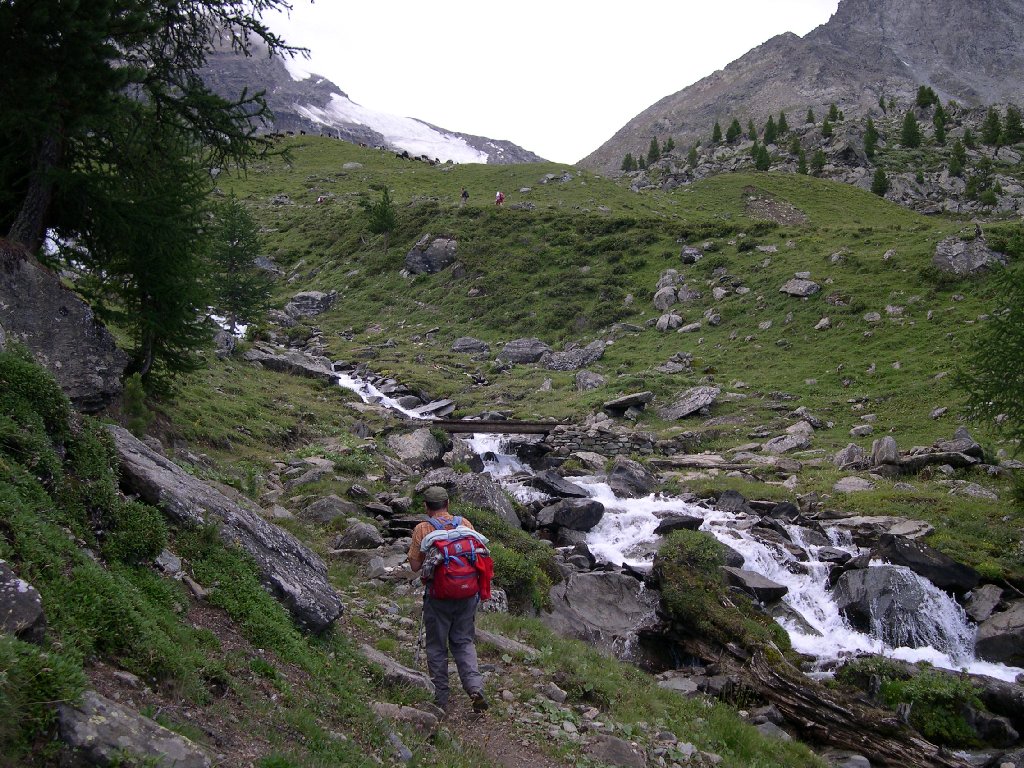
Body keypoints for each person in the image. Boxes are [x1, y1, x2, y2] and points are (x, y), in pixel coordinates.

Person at [408, 486, 490, 713]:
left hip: (438, 597)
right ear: (448, 504)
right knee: (463, 641)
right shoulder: (465, 524)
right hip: (467, 594)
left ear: (426, 506)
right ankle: (474, 688)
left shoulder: (422, 528)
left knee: (436, 646)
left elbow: (415, 566)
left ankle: (441, 698)